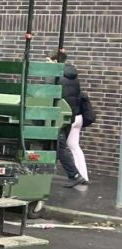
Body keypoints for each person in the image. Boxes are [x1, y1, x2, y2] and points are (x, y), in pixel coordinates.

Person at [49, 49, 89, 187]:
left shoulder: (55, 76)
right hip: (71, 116)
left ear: (55, 61)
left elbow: (48, 96)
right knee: (70, 147)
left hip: (58, 117)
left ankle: (75, 175)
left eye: (48, 61)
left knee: (59, 148)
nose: (47, 63)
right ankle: (80, 175)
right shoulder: (74, 77)